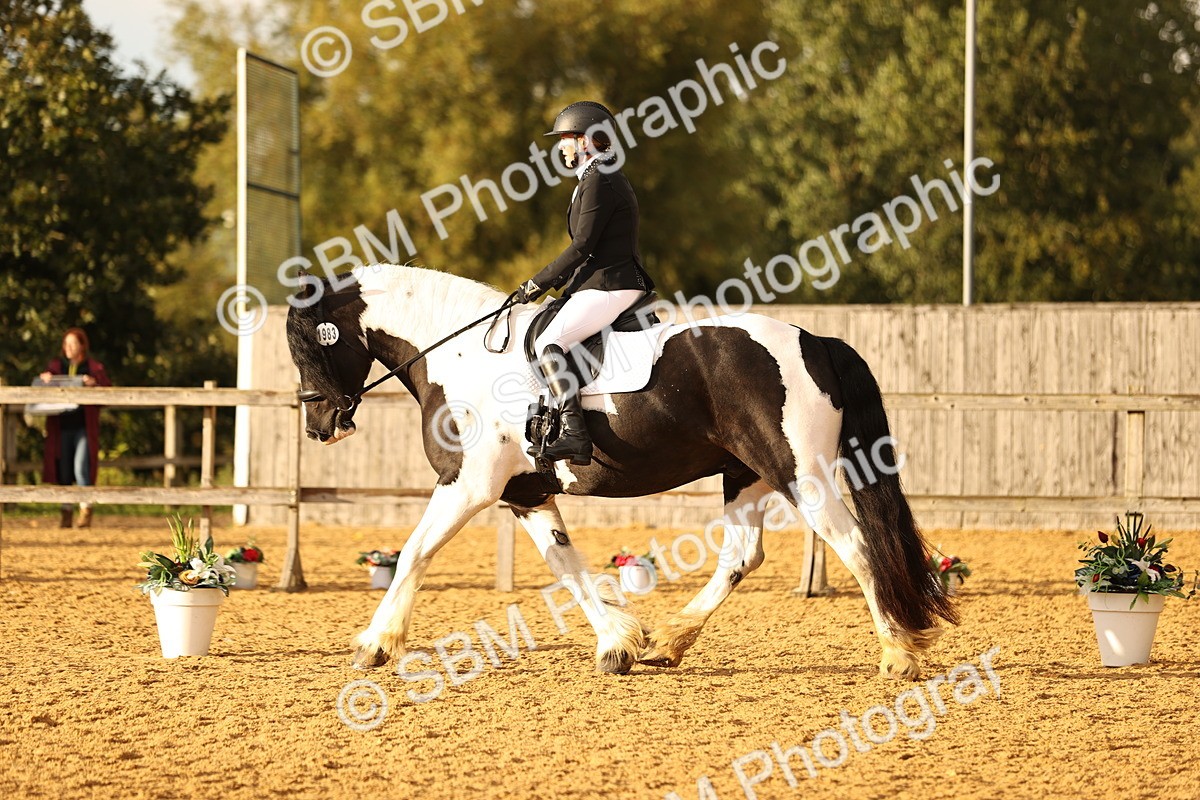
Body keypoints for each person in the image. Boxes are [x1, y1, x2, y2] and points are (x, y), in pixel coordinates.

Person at [515, 101, 655, 465]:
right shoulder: (595, 178)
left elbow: (582, 246)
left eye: (566, 138)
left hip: (613, 284)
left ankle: (575, 434)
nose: (561, 146)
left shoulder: (602, 178)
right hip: (603, 281)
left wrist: (537, 283)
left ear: (588, 141)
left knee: (550, 342)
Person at [39, 328, 111, 528]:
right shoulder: (56, 367)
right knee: (63, 470)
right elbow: (42, 388)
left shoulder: (93, 367)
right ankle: (66, 512)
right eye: (66, 344)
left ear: (82, 346)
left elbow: (107, 390)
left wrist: (94, 384)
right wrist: (46, 380)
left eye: (73, 344)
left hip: (83, 427)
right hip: (61, 427)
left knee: (81, 467)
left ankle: (85, 510)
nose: (68, 348)